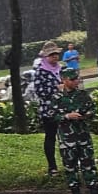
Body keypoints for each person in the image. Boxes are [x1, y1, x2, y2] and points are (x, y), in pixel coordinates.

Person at [51, 67, 98, 194]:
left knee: (89, 166)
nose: (76, 81)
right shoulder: (57, 98)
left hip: (83, 137)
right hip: (67, 139)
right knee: (70, 168)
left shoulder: (82, 95)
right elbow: (51, 116)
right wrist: (67, 116)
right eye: (73, 79)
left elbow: (92, 110)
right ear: (64, 80)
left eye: (77, 79)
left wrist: (85, 115)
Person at [33, 42, 64, 176]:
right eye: (52, 55)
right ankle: (52, 166)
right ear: (46, 57)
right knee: (50, 137)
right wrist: (56, 89)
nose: (55, 57)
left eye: (56, 54)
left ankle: (70, 163)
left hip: (64, 108)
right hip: (49, 110)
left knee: (67, 137)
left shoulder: (61, 69)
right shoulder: (40, 72)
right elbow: (40, 92)